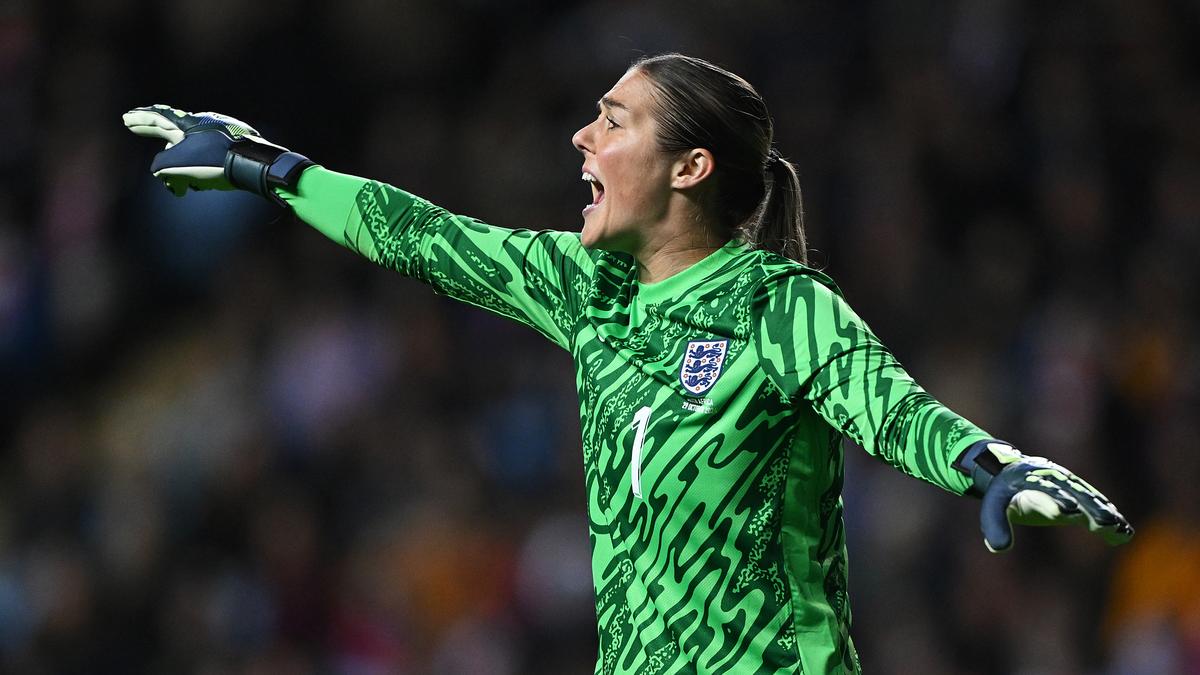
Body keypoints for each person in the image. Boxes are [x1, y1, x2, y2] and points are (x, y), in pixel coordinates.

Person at [124, 53, 1133, 675]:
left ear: (689, 167)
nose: (582, 134)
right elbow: (423, 237)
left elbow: (888, 406)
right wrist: (269, 167)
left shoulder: (776, 305)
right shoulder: (586, 289)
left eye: (613, 119)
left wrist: (992, 465)